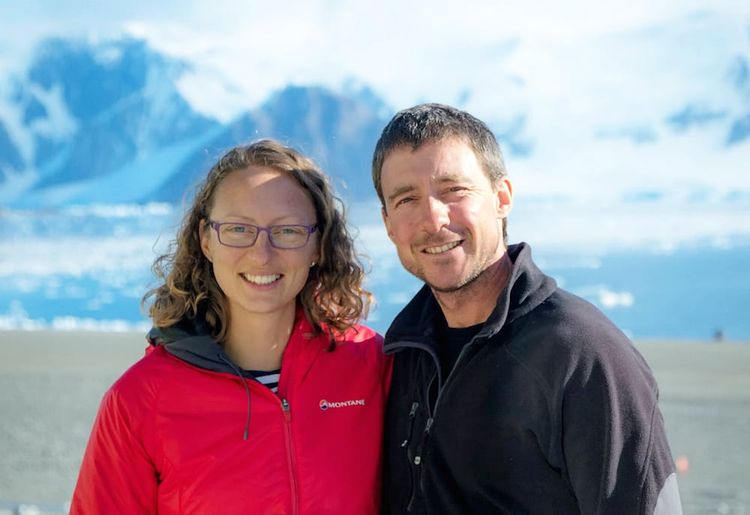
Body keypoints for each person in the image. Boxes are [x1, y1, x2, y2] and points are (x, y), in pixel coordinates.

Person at [371, 103, 682, 514]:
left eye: (454, 190)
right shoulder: (403, 352)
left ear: (502, 197)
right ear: (388, 222)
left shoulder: (581, 356)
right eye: (407, 199)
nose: (433, 218)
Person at [71, 139, 392, 513]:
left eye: (288, 231)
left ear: (318, 245)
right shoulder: (140, 400)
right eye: (239, 229)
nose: (262, 254)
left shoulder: (372, 367)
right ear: (206, 240)